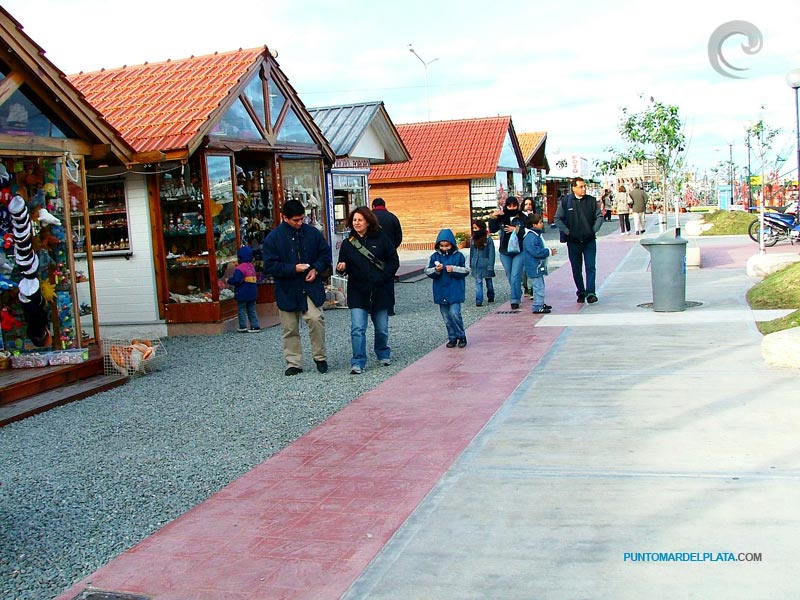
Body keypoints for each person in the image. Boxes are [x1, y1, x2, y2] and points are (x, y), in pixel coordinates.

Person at [262, 199, 331, 376]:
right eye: (295, 220)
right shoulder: (273, 238)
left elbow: (325, 255)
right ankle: (293, 363)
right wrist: (293, 268)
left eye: (302, 219)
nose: (300, 223)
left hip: (310, 285)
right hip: (287, 288)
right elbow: (269, 266)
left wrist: (316, 269)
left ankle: (320, 357)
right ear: (285, 218)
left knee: (316, 319)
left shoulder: (313, 233)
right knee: (289, 327)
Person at [336, 207, 399, 375]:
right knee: (357, 328)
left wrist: (384, 277)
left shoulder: (382, 238)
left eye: (360, 220)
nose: (356, 223)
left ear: (368, 222)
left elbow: (393, 261)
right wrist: (341, 268)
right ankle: (358, 361)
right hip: (357, 290)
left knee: (382, 328)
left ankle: (382, 352)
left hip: (379, 290)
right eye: (354, 220)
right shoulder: (348, 243)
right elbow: (342, 265)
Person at [554, 177, 603, 304]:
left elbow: (599, 216)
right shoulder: (566, 202)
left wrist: (593, 230)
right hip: (573, 242)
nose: (584, 189)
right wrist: (567, 231)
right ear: (574, 188)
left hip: (589, 240)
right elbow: (557, 218)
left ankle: (591, 292)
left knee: (590, 266)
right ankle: (581, 291)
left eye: (584, 186)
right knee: (576, 269)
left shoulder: (591, 201)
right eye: (581, 186)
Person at [425, 229, 470, 348]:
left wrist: (454, 269)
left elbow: (467, 270)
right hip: (440, 291)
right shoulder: (433, 257)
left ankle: (461, 336)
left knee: (455, 313)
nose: (444, 248)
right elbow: (427, 271)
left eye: (447, 245)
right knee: (446, 317)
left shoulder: (460, 256)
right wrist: (436, 270)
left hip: (455, 290)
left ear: (452, 244)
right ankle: (452, 337)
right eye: (442, 245)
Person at [488, 195, 526, 310]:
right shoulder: (502, 217)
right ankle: (517, 291)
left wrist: (516, 229)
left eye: (514, 205)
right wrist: (493, 217)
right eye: (509, 206)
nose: (512, 208)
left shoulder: (522, 217)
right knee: (510, 275)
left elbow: (527, 231)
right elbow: (493, 229)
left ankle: (514, 300)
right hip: (505, 251)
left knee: (515, 275)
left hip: (519, 250)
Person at [371, 197, 402, 315]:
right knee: (388, 280)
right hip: (389, 254)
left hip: (371, 254)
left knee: (372, 280)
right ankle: (389, 309)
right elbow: (399, 236)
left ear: (373, 206)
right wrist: (393, 247)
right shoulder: (392, 217)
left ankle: (373, 307)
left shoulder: (370, 217)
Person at [523, 212, 557, 314]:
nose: (542, 224)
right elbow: (535, 251)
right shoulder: (531, 237)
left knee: (539, 285)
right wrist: (548, 252)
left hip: (537, 265)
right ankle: (538, 305)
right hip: (535, 266)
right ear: (534, 225)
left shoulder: (534, 235)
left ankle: (540, 303)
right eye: (540, 222)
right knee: (539, 286)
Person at [227, 246, 260, 332]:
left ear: (240, 258)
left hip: (243, 293)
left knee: (242, 309)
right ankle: (255, 326)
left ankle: (243, 326)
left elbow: (237, 279)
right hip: (253, 293)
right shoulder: (251, 267)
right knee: (251, 309)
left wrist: (229, 280)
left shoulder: (240, 268)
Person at [468, 219, 495, 306]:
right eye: (474, 228)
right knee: (478, 281)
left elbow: (492, 253)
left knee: (488, 280)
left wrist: (491, 265)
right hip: (476, 263)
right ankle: (479, 300)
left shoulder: (488, 239)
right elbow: (471, 252)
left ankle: (491, 295)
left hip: (485, 263)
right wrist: (470, 262)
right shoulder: (473, 239)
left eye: (476, 228)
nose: (475, 230)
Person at [521, 197, 535, 296]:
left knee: (531, 266)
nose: (528, 206)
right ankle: (525, 286)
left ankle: (531, 288)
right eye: (526, 204)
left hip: (532, 244)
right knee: (523, 269)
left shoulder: (535, 216)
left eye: (530, 204)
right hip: (522, 245)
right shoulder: (520, 216)